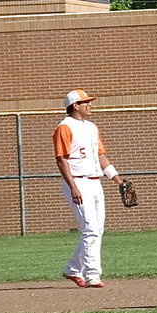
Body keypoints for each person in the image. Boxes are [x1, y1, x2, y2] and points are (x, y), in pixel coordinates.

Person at [53, 89, 130, 288]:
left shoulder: (92, 127)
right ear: (75, 106)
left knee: (98, 230)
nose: (90, 105)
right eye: (85, 102)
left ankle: (73, 268)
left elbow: (101, 156)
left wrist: (118, 180)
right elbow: (61, 159)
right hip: (77, 181)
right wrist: (73, 186)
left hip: (95, 182)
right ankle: (92, 274)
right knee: (90, 229)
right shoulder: (64, 127)